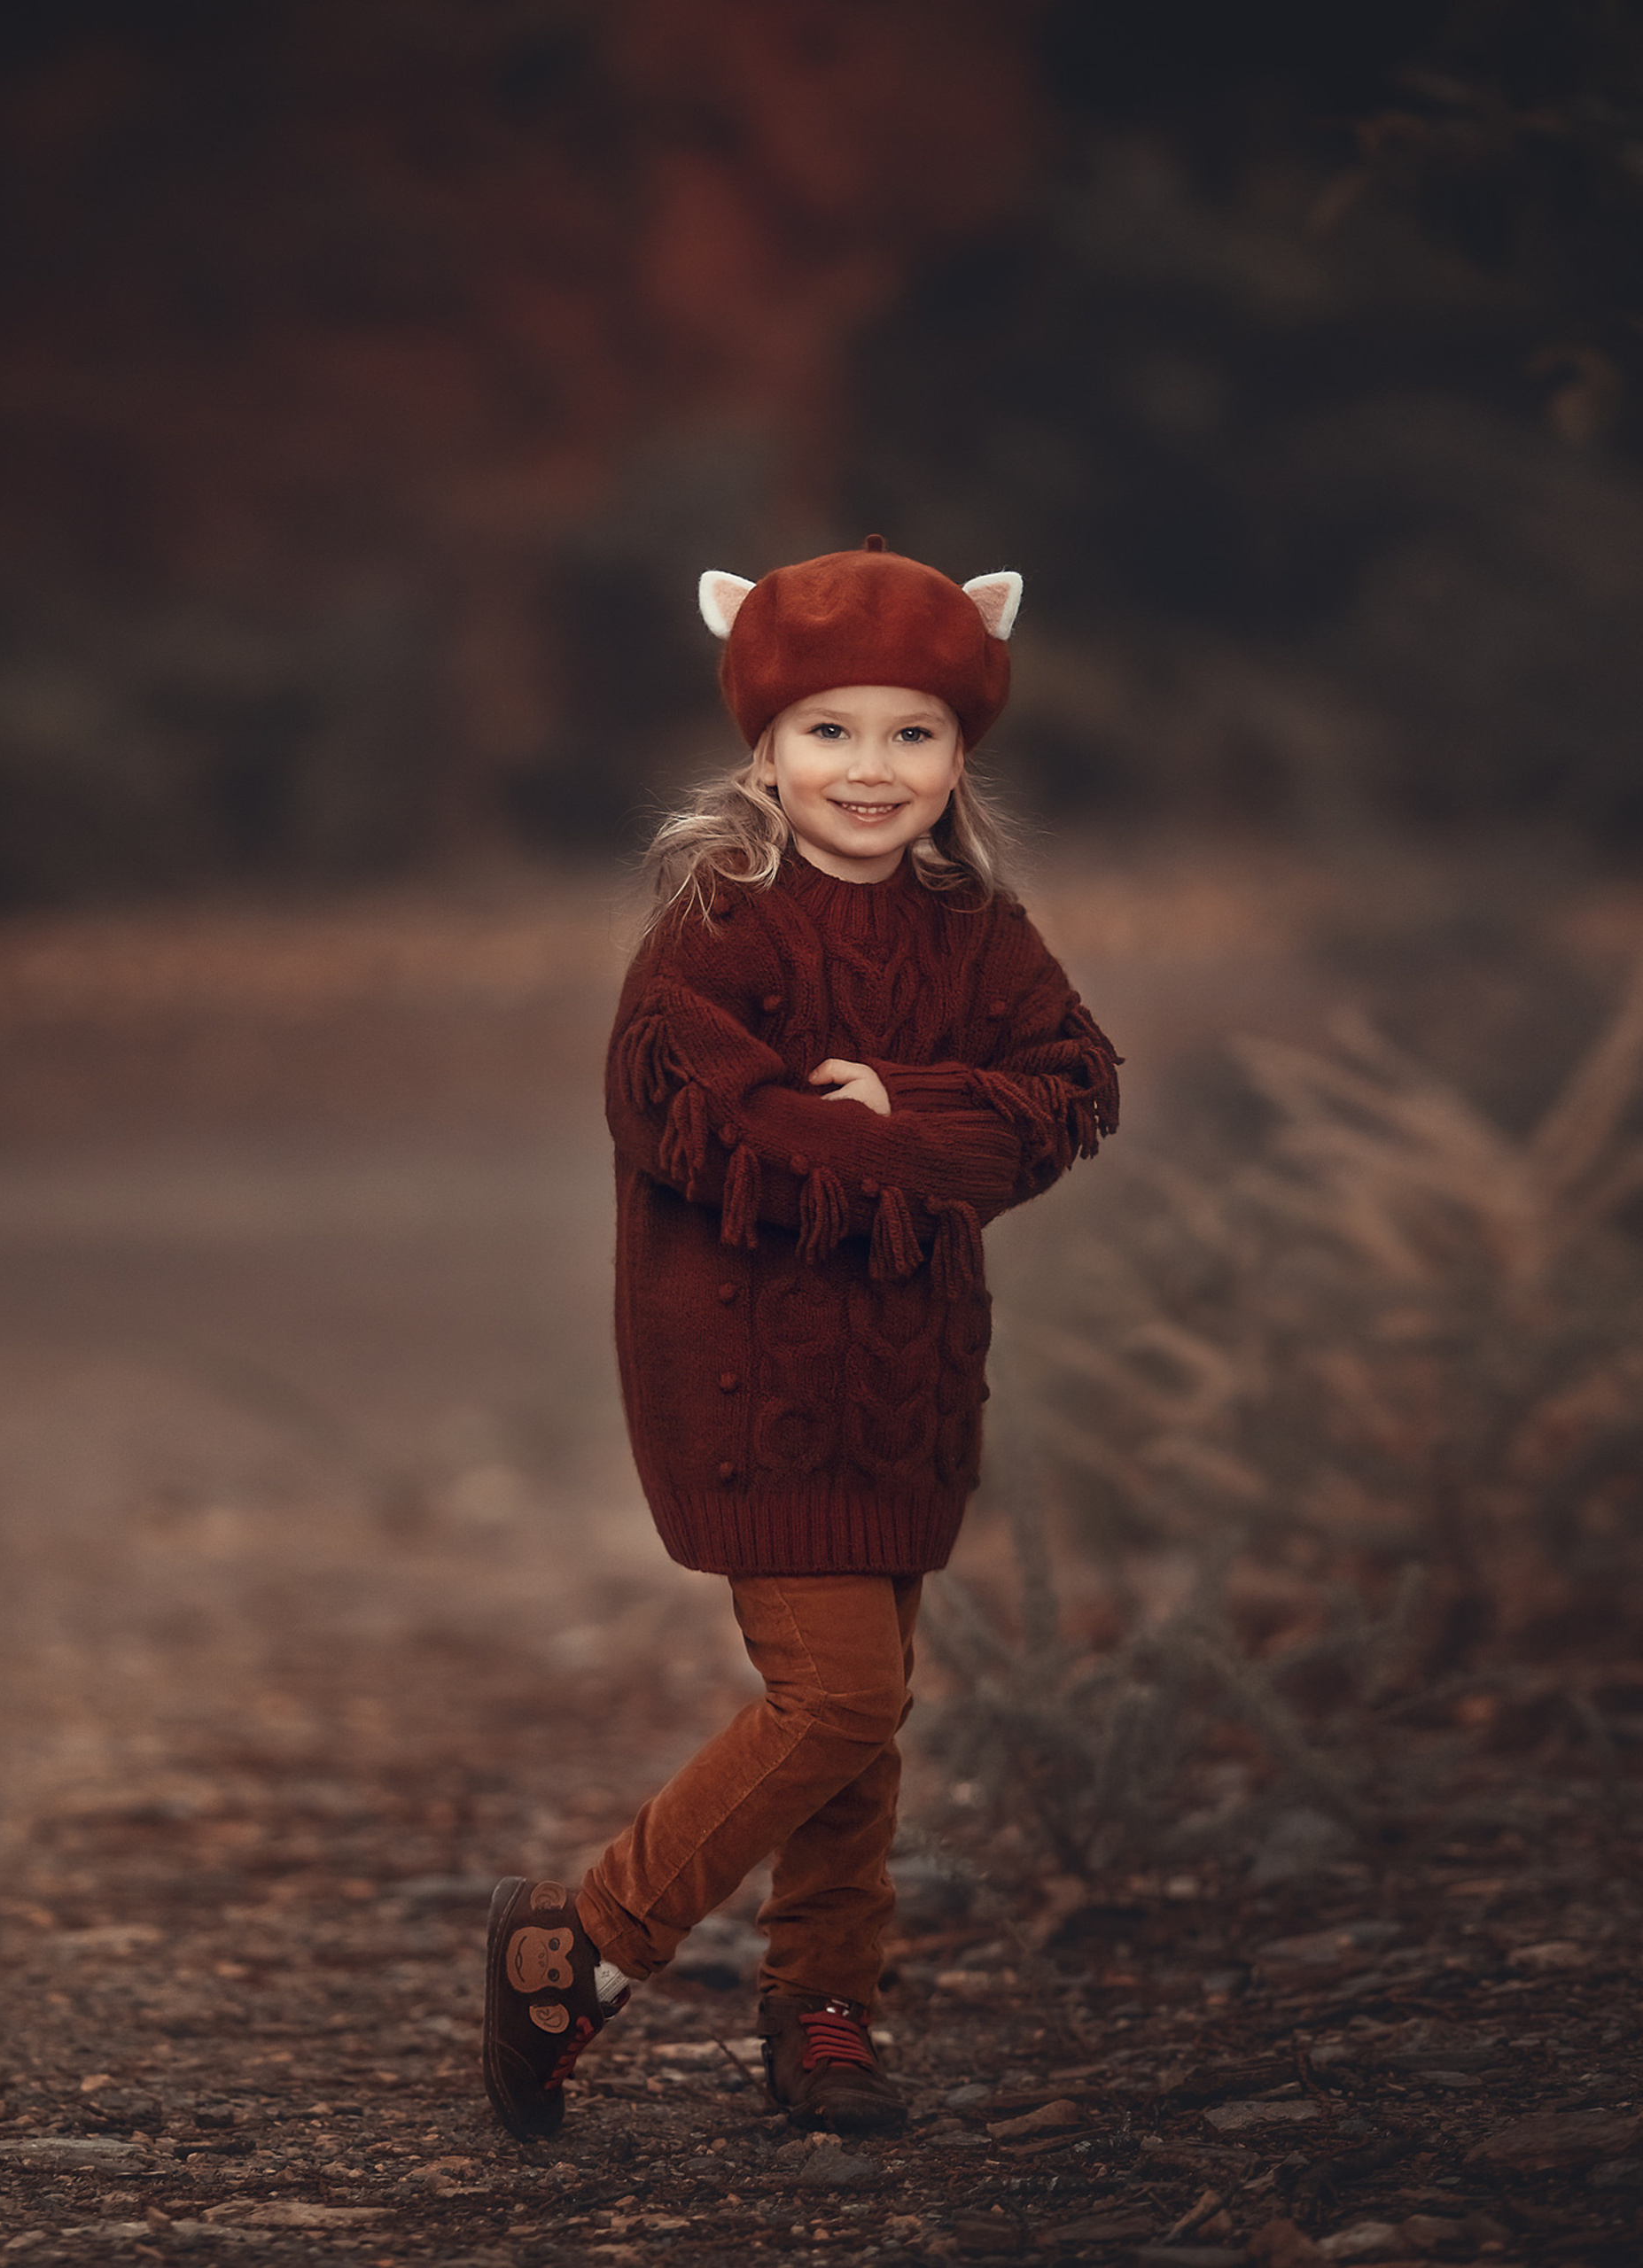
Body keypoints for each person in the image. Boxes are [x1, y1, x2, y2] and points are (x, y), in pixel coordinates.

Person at [481, 536, 1121, 2140]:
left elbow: (1071, 1087)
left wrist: (917, 1105)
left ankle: (826, 2005)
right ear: (761, 748)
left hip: (910, 1370)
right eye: (829, 729)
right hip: (748, 1373)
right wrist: (913, 1159)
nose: (871, 768)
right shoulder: (719, 929)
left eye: (913, 732)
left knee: (876, 1702)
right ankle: (585, 1942)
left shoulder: (977, 932)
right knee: (834, 1695)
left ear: (962, 752)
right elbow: (710, 1124)